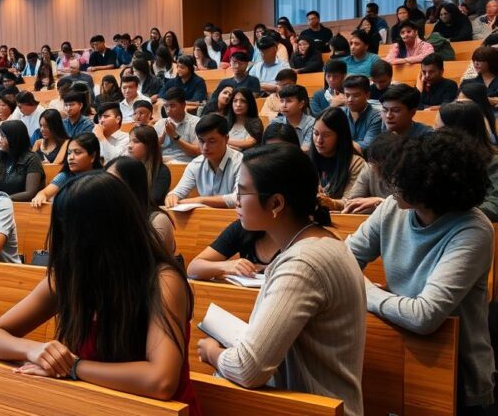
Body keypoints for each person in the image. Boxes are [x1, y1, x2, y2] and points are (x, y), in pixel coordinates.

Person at [0, 172, 200, 409]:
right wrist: (35, 350)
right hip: (93, 404)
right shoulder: (70, 277)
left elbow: (160, 381)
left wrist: (73, 367)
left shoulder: (163, 281)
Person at [197, 144, 365, 416]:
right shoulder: (317, 243)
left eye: (243, 191)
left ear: (276, 204)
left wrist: (213, 352)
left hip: (314, 408)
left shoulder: (304, 263)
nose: (236, 201)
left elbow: (247, 369)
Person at [347, 130, 495, 414]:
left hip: (456, 376)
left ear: (431, 185)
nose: (392, 186)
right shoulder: (392, 208)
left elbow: (424, 315)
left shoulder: (473, 230)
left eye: (405, 178)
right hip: (399, 350)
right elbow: (344, 259)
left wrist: (365, 290)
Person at [165, 114, 242, 209]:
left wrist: (201, 200)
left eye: (212, 141)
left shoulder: (241, 163)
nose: (205, 147)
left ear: (226, 139)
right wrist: (172, 197)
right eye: (201, 141)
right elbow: (177, 192)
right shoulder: (195, 164)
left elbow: (239, 198)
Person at [309, 107, 366, 211]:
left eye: (326, 135)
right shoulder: (306, 161)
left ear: (340, 136)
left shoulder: (356, 164)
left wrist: (330, 203)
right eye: (315, 133)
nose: (319, 140)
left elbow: (351, 202)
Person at [30, 133, 102, 207]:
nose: (70, 157)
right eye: (69, 153)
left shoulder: (103, 180)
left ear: (93, 156)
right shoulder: (65, 176)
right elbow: (44, 193)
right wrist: (41, 196)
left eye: (77, 152)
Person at [0, 120, 44, 202]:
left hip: (22, 208)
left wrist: (2, 199)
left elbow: (30, 193)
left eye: (3, 136)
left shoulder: (32, 159)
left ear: (14, 138)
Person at [128, 125, 172, 207]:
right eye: (129, 141)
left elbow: (154, 199)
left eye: (135, 141)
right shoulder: (126, 168)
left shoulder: (161, 171)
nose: (129, 146)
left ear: (149, 145)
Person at [155, 87, 201, 164]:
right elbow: (150, 151)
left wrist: (174, 136)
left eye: (172, 105)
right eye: (166, 106)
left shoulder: (196, 122)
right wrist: (161, 140)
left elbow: (197, 152)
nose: (168, 110)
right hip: (163, 163)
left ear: (183, 105)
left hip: (185, 163)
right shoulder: (160, 123)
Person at [339, 75, 382, 152]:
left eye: (356, 95)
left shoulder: (376, 116)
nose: (350, 99)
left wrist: (339, 144)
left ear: (367, 95)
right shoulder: (339, 113)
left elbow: (367, 146)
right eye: (347, 95)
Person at [271, 84, 315, 148]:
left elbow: (306, 149)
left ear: (301, 104)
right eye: (281, 101)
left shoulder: (312, 124)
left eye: (289, 101)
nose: (284, 105)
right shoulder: (275, 122)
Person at [468, 46, 498, 110]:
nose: (476, 63)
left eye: (480, 60)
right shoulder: (469, 82)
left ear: (491, 61)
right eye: (474, 60)